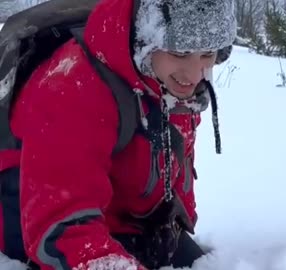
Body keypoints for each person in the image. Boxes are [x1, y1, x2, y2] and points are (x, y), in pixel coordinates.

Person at [0, 0, 236, 269]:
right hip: (43, 226)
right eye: (180, 52)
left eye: (207, 54)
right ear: (145, 38)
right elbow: (62, 226)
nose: (194, 75)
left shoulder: (171, 82)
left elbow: (174, 158)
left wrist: (175, 222)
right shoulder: (71, 85)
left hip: (127, 221)